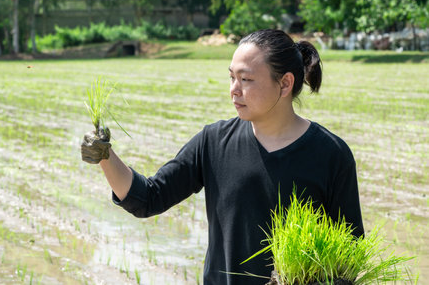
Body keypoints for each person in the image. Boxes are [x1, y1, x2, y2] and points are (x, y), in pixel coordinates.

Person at [81, 29, 364, 285]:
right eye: (232, 77)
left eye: (247, 79)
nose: (234, 89)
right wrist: (105, 155)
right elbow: (149, 198)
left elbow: (349, 255)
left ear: (285, 83)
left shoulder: (330, 154)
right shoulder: (214, 142)